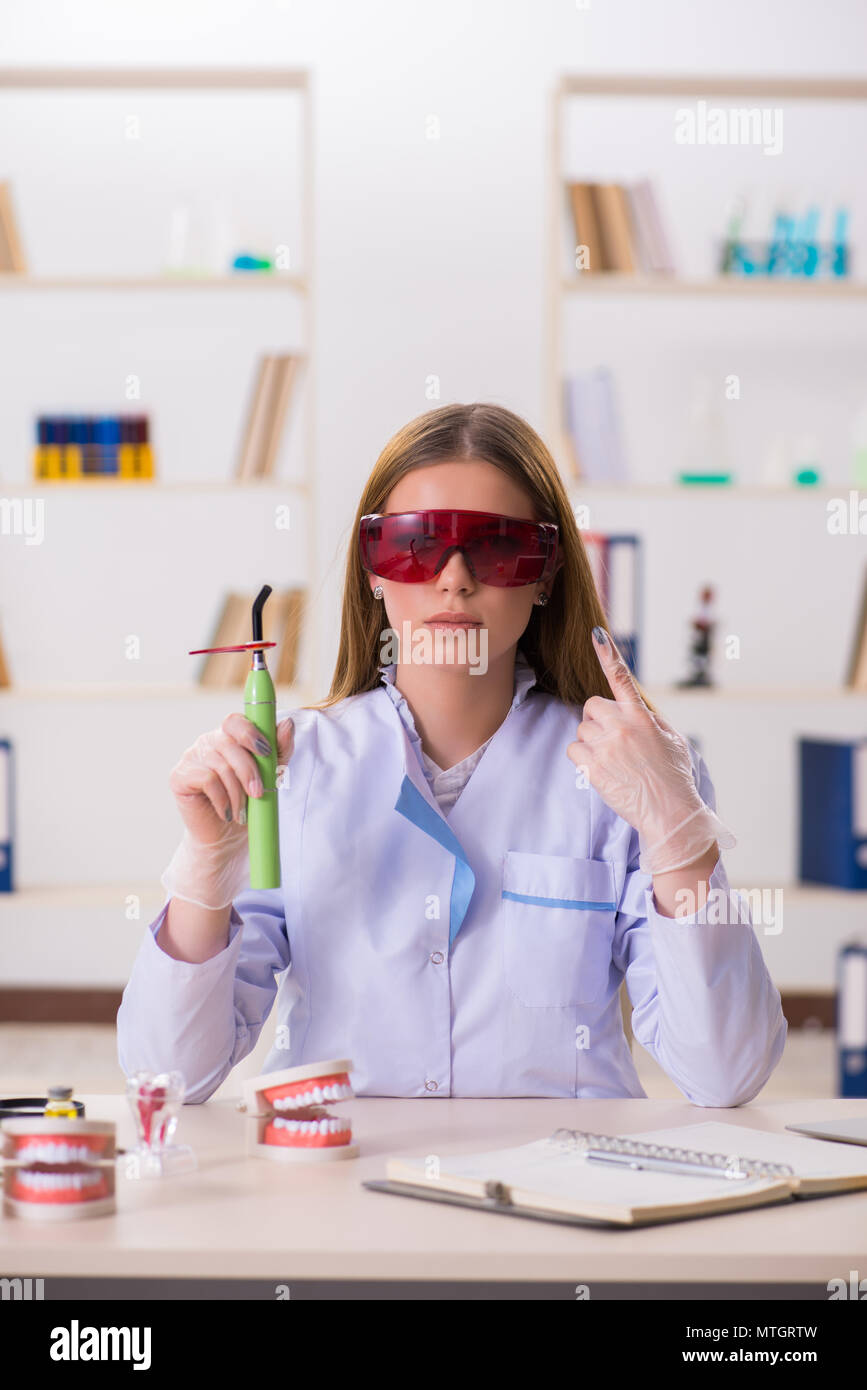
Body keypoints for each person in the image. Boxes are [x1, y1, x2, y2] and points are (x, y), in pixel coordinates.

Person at [117, 402, 786, 1105]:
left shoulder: (633, 770)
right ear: (372, 569)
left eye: (497, 548)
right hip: (334, 1177)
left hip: (562, 1183)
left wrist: (679, 831)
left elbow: (724, 1075)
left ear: (545, 573)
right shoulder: (290, 765)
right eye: (416, 544)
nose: (455, 578)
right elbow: (167, 1079)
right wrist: (203, 870)